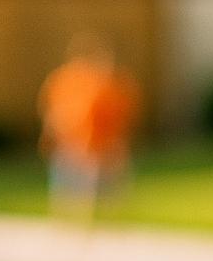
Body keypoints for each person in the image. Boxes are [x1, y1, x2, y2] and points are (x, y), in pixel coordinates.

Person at [38, 33, 142, 218]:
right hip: (76, 147)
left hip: (101, 147)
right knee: (74, 195)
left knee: (104, 197)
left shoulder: (111, 85)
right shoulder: (67, 82)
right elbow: (55, 114)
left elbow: (121, 117)